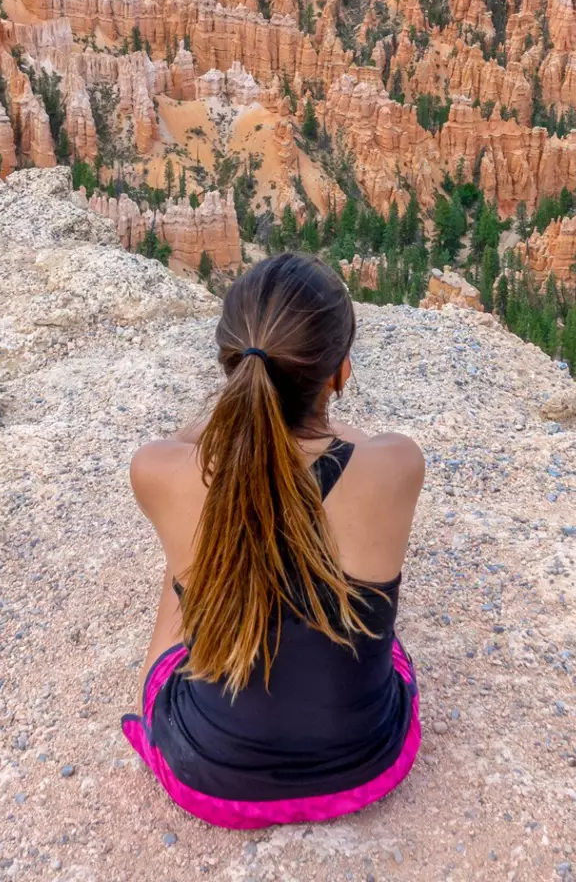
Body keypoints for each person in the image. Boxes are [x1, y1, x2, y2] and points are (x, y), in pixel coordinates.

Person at [121, 252, 426, 828]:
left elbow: (194, 441)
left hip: (207, 774)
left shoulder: (157, 471)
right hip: (368, 763)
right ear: (341, 371)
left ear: (230, 365)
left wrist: (239, 417)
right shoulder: (398, 464)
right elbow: (350, 439)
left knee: (184, 563)